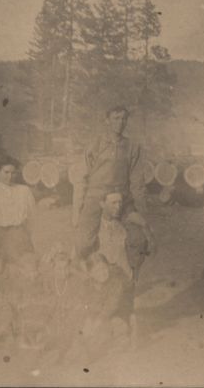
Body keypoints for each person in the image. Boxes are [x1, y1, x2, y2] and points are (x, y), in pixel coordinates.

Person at [74, 105, 147, 259]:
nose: (120, 123)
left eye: (123, 119)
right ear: (107, 120)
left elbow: (137, 182)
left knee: (138, 239)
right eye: (116, 118)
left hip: (123, 198)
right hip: (96, 197)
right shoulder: (95, 144)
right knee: (83, 242)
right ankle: (88, 275)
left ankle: (129, 278)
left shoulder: (133, 147)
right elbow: (81, 177)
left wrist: (141, 212)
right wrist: (77, 210)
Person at [0, 155, 36, 262]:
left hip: (19, 236)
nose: (10, 176)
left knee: (25, 265)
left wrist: (25, 233)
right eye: (6, 172)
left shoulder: (24, 191)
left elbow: (32, 216)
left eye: (13, 173)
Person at [97, 190, 155, 282]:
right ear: (102, 204)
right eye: (113, 203)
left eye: (120, 203)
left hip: (123, 279)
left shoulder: (121, 228)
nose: (118, 207)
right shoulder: (93, 228)